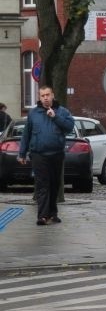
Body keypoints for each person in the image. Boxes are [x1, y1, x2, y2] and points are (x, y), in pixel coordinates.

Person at [18, 85, 75, 225]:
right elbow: (27, 134)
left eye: (47, 95)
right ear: (39, 97)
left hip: (56, 154)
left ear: (53, 95)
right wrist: (22, 153)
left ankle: (52, 213)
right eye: (42, 95)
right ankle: (42, 216)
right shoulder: (33, 113)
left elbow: (69, 127)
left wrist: (55, 117)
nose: (45, 98)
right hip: (39, 154)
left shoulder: (62, 111)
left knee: (55, 184)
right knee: (42, 184)